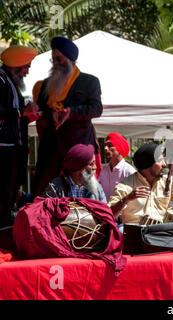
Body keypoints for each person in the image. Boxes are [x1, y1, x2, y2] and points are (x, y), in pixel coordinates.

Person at [32, 36, 103, 197]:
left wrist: (71, 112)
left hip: (78, 148)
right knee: (44, 195)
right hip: (51, 151)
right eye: (53, 60)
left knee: (83, 195)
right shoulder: (45, 85)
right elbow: (42, 112)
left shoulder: (89, 82)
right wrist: (50, 113)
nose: (55, 63)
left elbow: (96, 109)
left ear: (71, 59)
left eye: (59, 59)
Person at [108, 142, 173, 229]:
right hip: (135, 233)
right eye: (160, 160)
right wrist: (126, 199)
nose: (164, 164)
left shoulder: (168, 181)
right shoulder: (126, 185)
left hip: (160, 233)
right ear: (147, 164)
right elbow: (109, 214)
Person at [0, 45, 39, 227]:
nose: (27, 70)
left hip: (12, 146)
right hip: (3, 147)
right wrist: (21, 112)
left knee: (11, 189)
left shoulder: (10, 82)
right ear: (16, 64)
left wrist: (27, 116)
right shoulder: (0, 79)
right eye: (26, 66)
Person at [98, 132, 136, 201]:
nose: (105, 148)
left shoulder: (129, 171)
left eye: (110, 145)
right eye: (105, 145)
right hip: (105, 210)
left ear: (119, 148)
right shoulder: (103, 171)